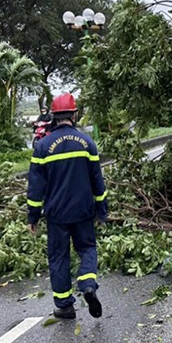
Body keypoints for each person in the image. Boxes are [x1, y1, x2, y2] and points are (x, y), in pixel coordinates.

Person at [26, 93, 107, 320]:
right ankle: (88, 283)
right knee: (87, 248)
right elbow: (97, 183)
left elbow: (35, 188)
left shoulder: (42, 147)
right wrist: (102, 210)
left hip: (56, 214)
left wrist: (33, 217)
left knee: (59, 257)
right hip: (83, 211)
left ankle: (64, 306)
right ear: (74, 114)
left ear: (54, 116)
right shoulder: (87, 144)